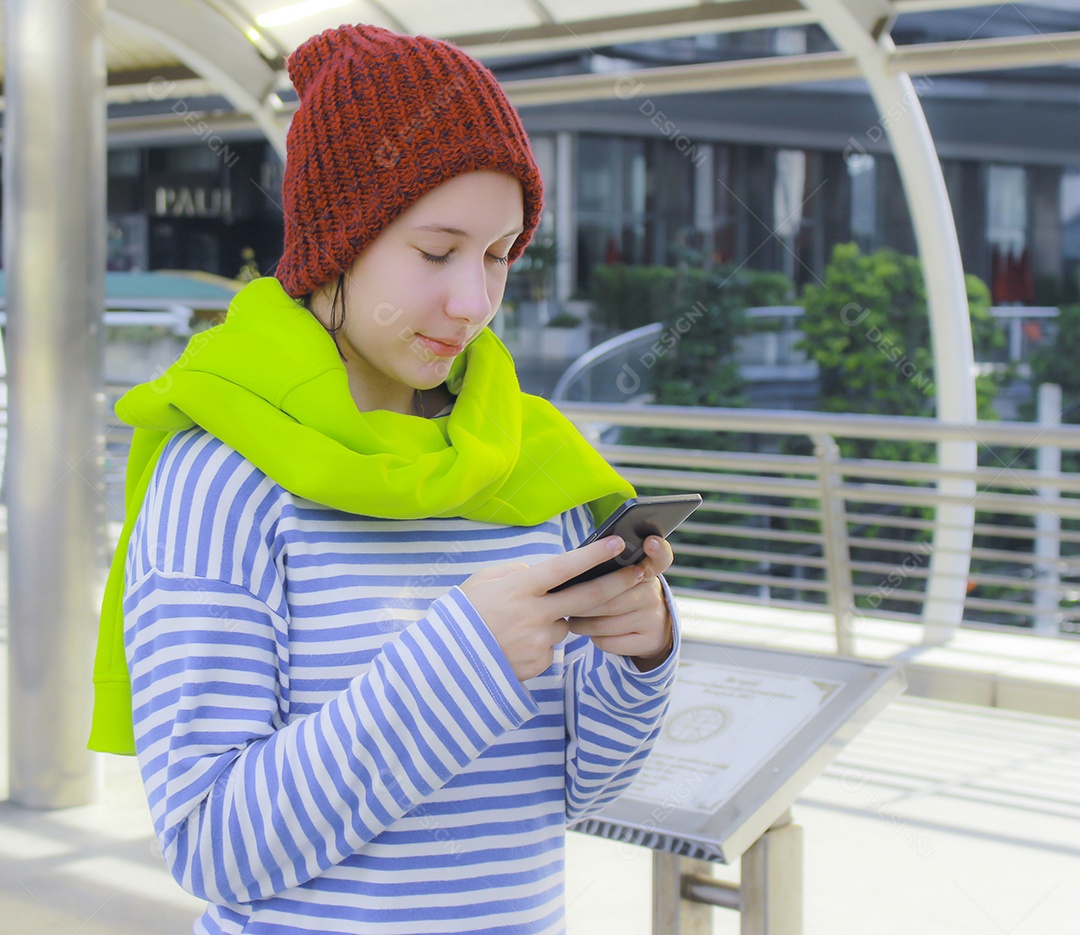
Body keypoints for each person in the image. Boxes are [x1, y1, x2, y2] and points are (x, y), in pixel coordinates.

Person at [89, 23, 681, 935]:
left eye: (499, 255)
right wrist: (464, 660)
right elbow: (212, 846)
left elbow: (570, 789)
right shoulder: (221, 480)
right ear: (338, 241)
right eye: (438, 251)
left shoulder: (534, 463)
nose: (475, 304)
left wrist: (636, 660)